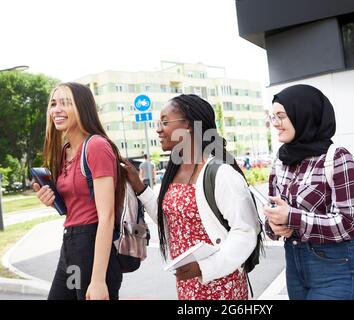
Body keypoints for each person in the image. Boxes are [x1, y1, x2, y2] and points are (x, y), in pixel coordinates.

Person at [121, 94, 260, 300]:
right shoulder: (175, 171)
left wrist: (205, 267)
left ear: (188, 126)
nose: (158, 129)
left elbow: (246, 231)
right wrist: (139, 186)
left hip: (222, 285)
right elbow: (169, 218)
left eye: (165, 122)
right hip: (189, 286)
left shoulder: (221, 172)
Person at [263, 84, 354, 300]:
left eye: (281, 116)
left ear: (303, 114)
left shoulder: (338, 158)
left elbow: (349, 224)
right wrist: (274, 225)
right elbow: (272, 213)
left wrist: (292, 217)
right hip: (295, 267)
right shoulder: (281, 160)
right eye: (272, 117)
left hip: (338, 268)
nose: (275, 123)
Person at [33, 82, 124, 300]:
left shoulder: (96, 146)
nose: (56, 109)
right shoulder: (65, 151)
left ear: (82, 108)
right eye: (53, 103)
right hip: (71, 245)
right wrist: (51, 200)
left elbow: (107, 216)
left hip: (92, 247)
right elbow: (76, 204)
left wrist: (98, 279)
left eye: (65, 103)